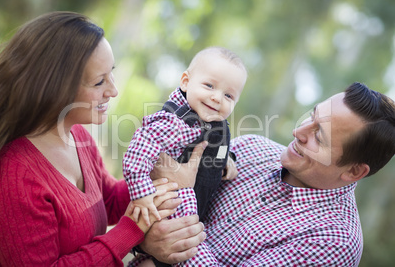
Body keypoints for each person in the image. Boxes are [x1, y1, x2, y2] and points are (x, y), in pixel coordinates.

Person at [0, 11, 205, 266]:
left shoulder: (77, 136)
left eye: (111, 73)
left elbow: (110, 200)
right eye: (98, 82)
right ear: (53, 86)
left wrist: (163, 177)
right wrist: (131, 232)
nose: (113, 90)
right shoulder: (15, 177)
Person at [132, 82, 395, 266]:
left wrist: (181, 199)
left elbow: (176, 185)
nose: (299, 132)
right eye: (311, 116)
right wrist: (145, 241)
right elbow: (145, 190)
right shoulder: (251, 149)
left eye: (319, 136)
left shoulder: (334, 242)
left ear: (353, 171)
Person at [122, 46, 247, 227]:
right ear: (186, 82)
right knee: (192, 248)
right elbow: (138, 151)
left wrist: (224, 159)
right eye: (209, 86)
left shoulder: (213, 124)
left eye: (228, 95)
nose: (217, 98)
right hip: (168, 210)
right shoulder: (177, 122)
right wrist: (141, 194)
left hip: (197, 209)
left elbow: (213, 146)